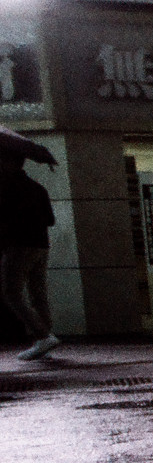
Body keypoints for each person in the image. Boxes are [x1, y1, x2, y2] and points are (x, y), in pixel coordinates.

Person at [1, 151, 57, 360]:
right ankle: (45, 338)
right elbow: (50, 220)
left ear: (8, 162)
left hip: (17, 246)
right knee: (37, 292)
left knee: (11, 292)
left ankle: (43, 336)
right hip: (41, 245)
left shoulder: (5, 187)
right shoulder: (37, 188)